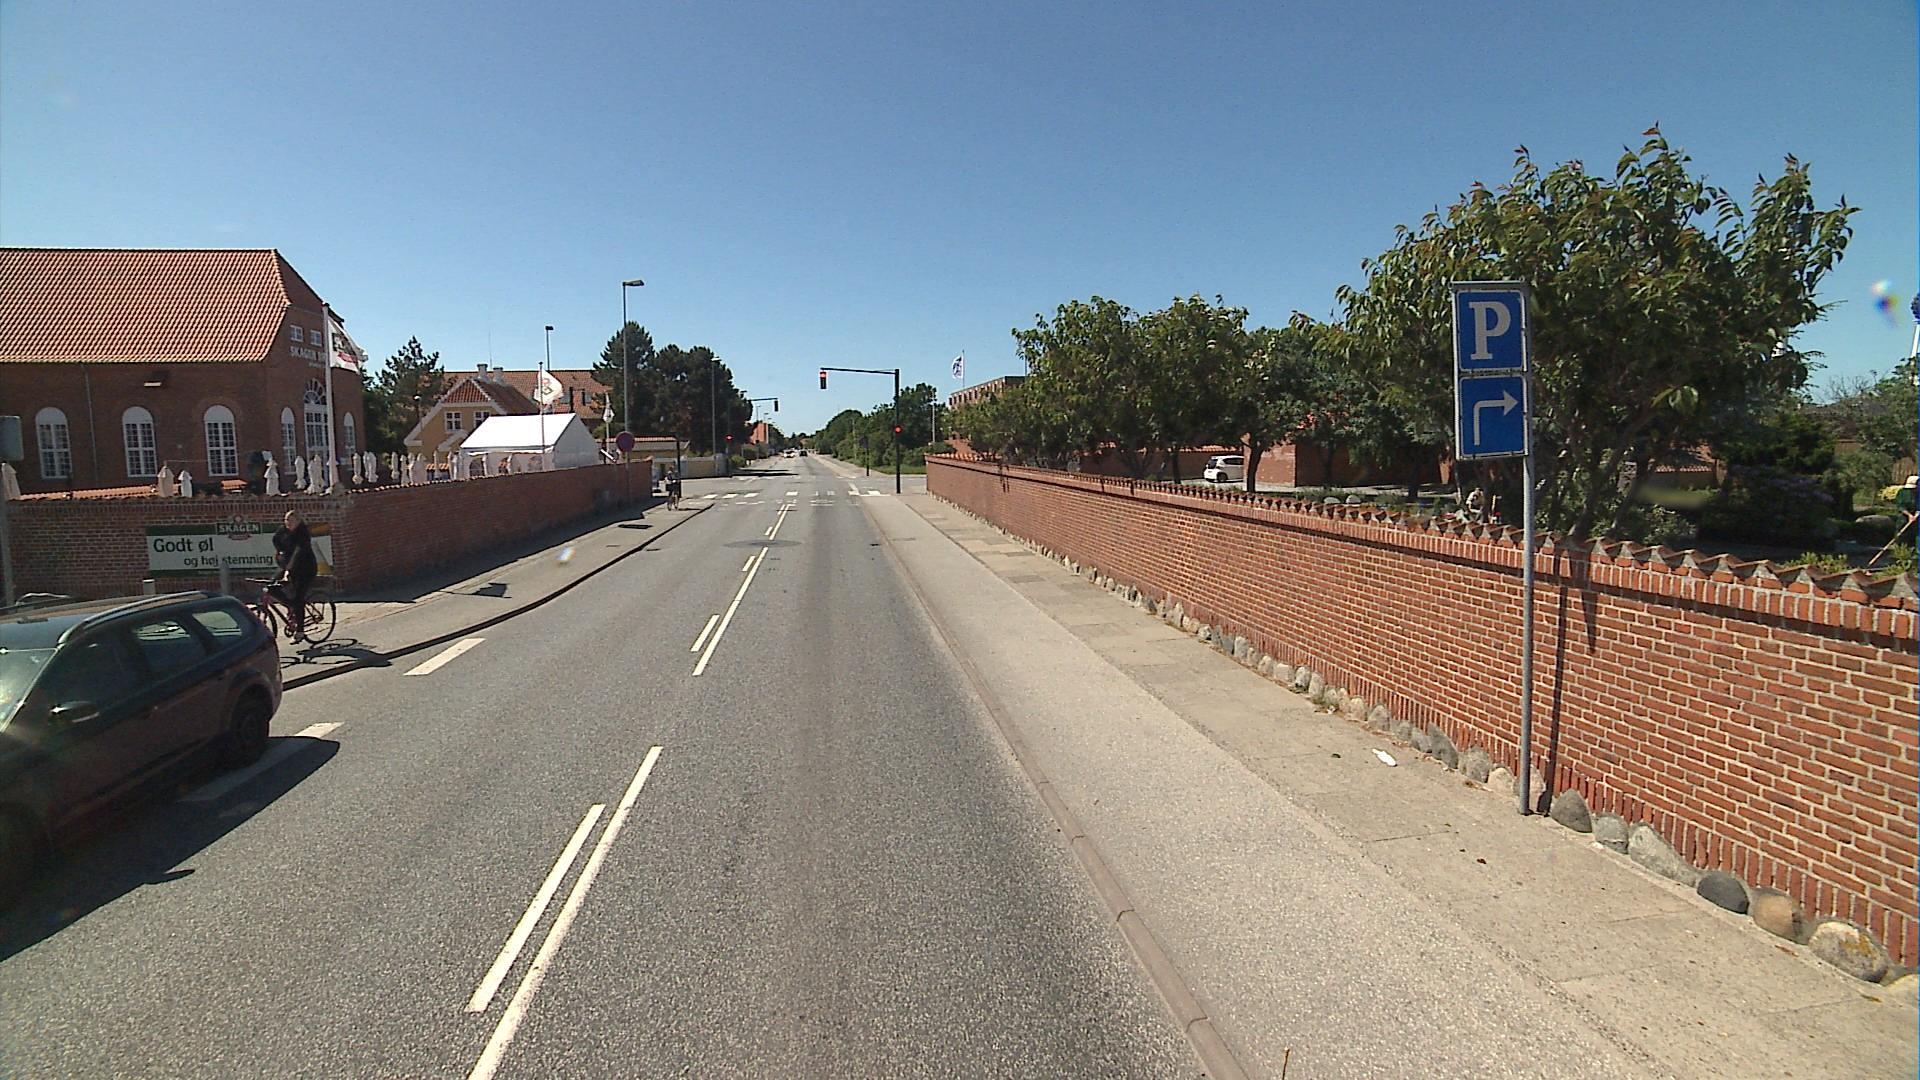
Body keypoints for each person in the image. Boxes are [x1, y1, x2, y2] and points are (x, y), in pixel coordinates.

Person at [271, 510, 319, 643]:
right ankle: (290, 605)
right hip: (288, 565)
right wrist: (280, 551)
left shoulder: (303, 533)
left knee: (299, 599)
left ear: (298, 521)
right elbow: (275, 539)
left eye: (291, 521)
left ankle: (300, 631)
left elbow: (298, 552)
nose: (288, 523)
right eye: (286, 520)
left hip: (305, 569)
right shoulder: (283, 530)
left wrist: (288, 570)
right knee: (271, 586)